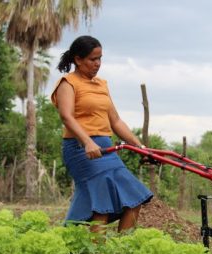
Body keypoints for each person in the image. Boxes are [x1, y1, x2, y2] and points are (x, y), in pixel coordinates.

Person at [51, 35, 153, 233]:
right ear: (78, 59)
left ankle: (122, 252)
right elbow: (67, 117)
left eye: (100, 59)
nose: (97, 64)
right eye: (92, 59)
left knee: (134, 199)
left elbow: (115, 121)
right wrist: (87, 142)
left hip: (106, 149)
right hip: (81, 149)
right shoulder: (68, 83)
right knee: (102, 205)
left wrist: (140, 147)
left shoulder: (101, 85)